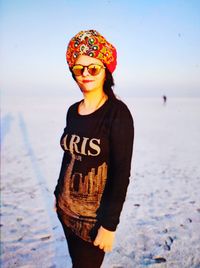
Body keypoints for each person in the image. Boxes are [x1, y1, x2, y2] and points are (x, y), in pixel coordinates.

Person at [54, 29, 134, 268]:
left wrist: (109, 226)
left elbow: (121, 175)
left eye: (93, 68)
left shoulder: (117, 114)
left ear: (105, 70)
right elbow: (68, 157)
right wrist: (57, 195)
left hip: (92, 222)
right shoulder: (72, 111)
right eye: (79, 69)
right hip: (65, 211)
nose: (85, 74)